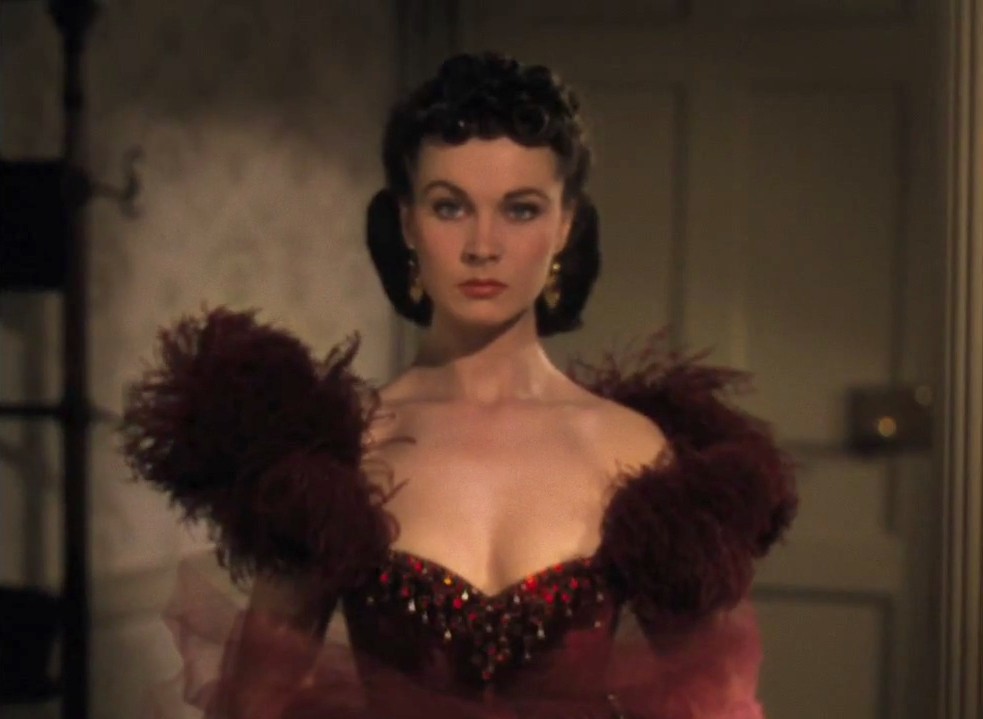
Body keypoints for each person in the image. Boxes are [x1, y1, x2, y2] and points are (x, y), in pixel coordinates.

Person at [120, 52, 797, 719]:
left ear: (565, 225)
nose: (482, 245)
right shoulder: (339, 454)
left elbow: (713, 701)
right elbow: (254, 703)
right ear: (407, 222)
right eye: (450, 207)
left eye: (520, 210)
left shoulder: (633, 449)